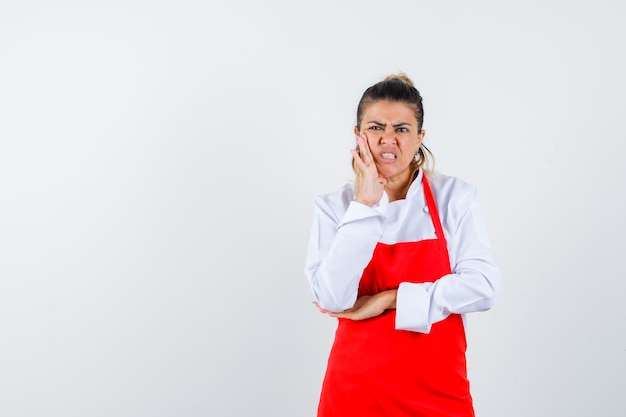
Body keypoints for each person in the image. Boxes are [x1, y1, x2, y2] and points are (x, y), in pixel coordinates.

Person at [304, 73, 501, 417]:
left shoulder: (454, 197)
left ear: (420, 137)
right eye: (376, 127)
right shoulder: (335, 206)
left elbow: (484, 287)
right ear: (358, 135)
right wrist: (365, 205)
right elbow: (332, 297)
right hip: (353, 393)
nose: (388, 140)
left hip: (438, 393)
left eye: (402, 129)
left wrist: (388, 299)